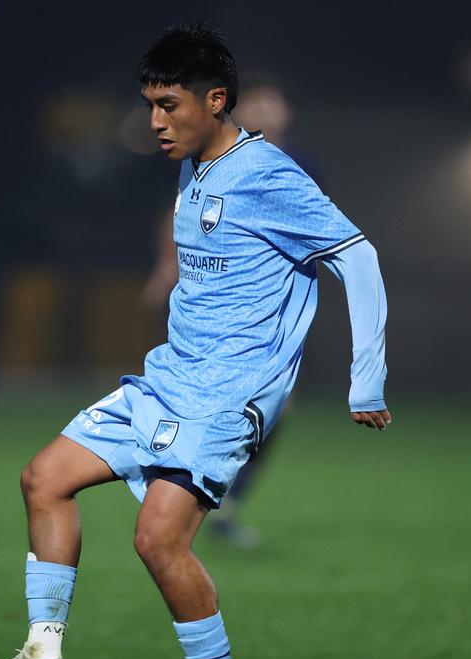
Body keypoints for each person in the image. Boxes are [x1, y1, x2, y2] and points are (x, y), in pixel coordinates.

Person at [0, 22, 390, 659]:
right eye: (150, 105)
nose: (156, 121)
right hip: (167, 379)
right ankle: (42, 655)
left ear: (217, 99)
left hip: (227, 396)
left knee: (157, 539)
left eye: (170, 105)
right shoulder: (193, 166)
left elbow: (358, 257)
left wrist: (367, 380)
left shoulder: (269, 174)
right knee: (44, 478)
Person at [141, 74, 310, 550]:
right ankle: (180, 490)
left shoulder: (293, 165)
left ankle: (216, 500)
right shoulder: (218, 154)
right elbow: (176, 211)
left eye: (273, 104)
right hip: (215, 303)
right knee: (208, 398)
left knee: (274, 407)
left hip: (268, 305)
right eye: (258, 103)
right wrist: (166, 265)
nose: (266, 112)